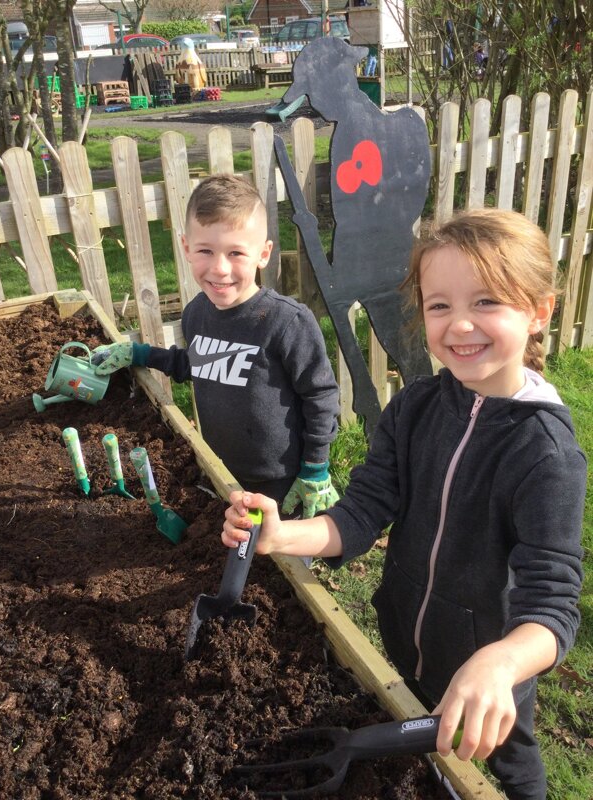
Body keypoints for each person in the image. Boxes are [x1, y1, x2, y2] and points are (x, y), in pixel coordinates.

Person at [222, 208, 586, 800]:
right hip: (405, 637)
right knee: (423, 751)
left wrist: (501, 663)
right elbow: (362, 511)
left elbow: (554, 604)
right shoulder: (415, 407)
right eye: (440, 305)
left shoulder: (546, 455)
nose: (460, 325)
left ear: (538, 311)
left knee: (508, 769)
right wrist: (281, 534)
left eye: (487, 302)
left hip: (487, 677)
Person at [93, 174, 340, 519]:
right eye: (205, 250)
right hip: (222, 469)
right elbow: (200, 364)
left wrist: (315, 467)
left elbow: (321, 396)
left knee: (283, 562)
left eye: (236, 252)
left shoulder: (285, 323)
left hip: (281, 479)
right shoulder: (196, 313)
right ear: (185, 248)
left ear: (263, 253)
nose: (220, 268)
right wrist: (140, 354)